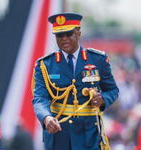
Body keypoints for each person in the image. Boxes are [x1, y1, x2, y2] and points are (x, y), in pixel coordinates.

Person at [32, 13, 119, 150]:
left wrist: (102, 100)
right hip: (59, 134)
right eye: (59, 35)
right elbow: (39, 98)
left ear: (78, 33)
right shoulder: (45, 65)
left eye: (69, 34)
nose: (64, 39)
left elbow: (113, 90)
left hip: (89, 135)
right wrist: (46, 117)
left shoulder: (97, 59)